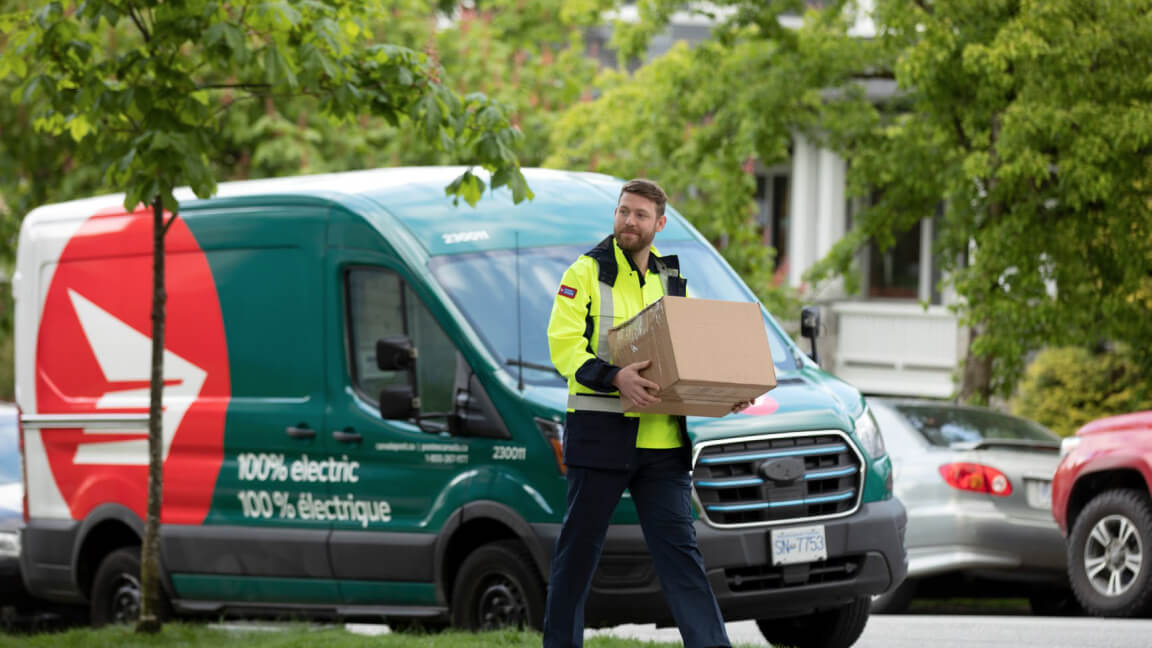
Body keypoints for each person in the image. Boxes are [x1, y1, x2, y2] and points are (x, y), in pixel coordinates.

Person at [542, 179, 748, 648]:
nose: (628, 222)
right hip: (600, 440)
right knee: (577, 557)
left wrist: (726, 392)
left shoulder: (671, 281)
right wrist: (615, 376)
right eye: (622, 212)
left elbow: (696, 351)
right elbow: (563, 347)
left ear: (660, 223)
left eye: (639, 215)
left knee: (683, 560)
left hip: (662, 448)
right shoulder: (585, 272)